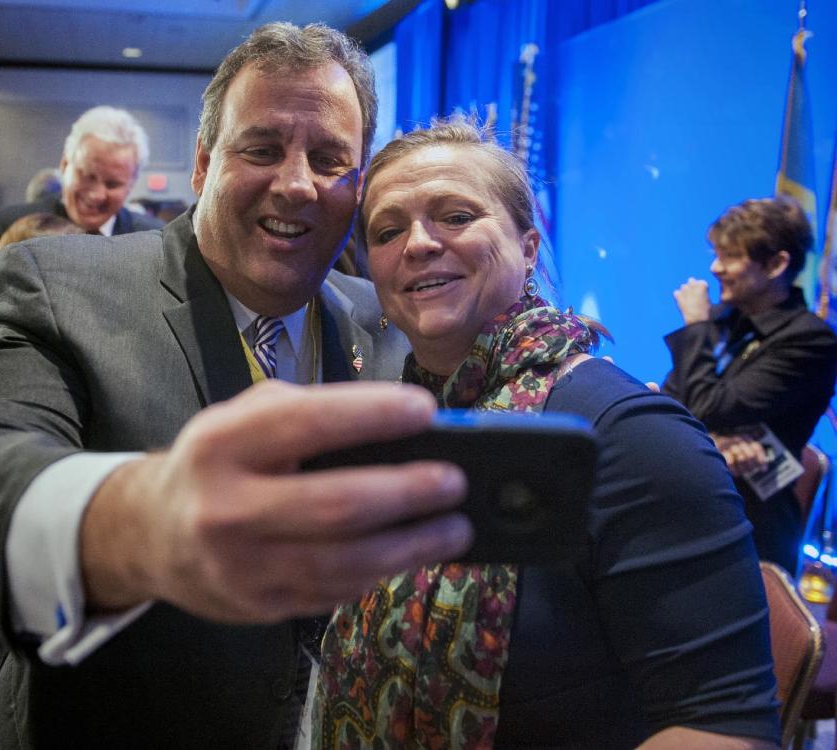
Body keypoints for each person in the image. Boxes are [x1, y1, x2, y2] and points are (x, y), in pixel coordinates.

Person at [0, 23, 473, 750]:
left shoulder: (387, 322)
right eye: (261, 149)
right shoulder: (61, 285)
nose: (296, 183)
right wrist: (147, 523)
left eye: (329, 159)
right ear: (203, 164)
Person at [314, 119, 780, 748]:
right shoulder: (400, 420)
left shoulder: (632, 437)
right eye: (388, 230)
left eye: (454, 216)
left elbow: (722, 728)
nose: (418, 244)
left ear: (528, 247)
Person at [663, 197, 837, 575]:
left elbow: (706, 405)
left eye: (730, 256)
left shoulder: (811, 340)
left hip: (752, 528)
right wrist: (717, 442)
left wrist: (695, 326)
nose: (715, 267)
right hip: (699, 495)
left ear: (776, 264)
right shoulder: (729, 317)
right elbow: (675, 404)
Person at [0, 105, 163, 283]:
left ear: (131, 184)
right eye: (87, 176)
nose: (97, 194)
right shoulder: (4, 225)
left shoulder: (154, 238)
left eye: (112, 184)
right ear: (64, 164)